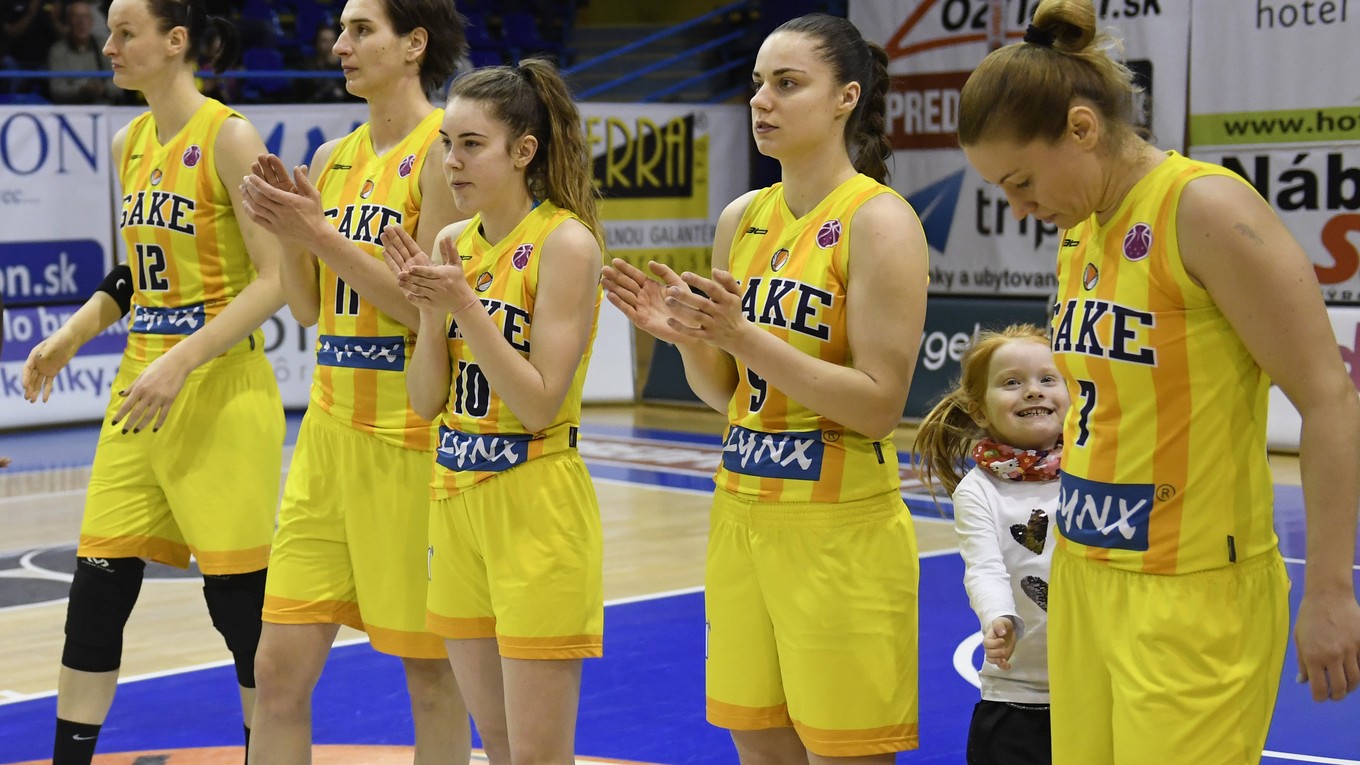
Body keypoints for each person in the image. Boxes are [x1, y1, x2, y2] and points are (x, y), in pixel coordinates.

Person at [956, 1, 1360, 762]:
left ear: (1082, 128)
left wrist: (1333, 589)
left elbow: (1329, 399)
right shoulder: (1081, 228)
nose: (1018, 207)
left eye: (1022, 181)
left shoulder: (1204, 207)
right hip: (1084, 575)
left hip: (1192, 590)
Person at [602, 13, 928, 763]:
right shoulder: (740, 218)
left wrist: (743, 335)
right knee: (758, 743)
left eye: (787, 83)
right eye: (756, 84)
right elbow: (731, 395)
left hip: (839, 529)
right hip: (741, 512)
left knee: (844, 752)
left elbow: (879, 405)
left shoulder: (880, 221)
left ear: (846, 97)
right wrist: (691, 338)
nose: (761, 101)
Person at [20, 0, 287, 762]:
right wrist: (71, 335)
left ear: (175, 42)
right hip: (140, 389)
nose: (108, 46)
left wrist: (184, 358)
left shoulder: (230, 137)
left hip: (222, 390)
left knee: (239, 609)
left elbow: (275, 279)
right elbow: (137, 271)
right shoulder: (128, 142)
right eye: (107, 31)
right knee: (95, 594)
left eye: (124, 32)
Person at [235, 0, 471, 763]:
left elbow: (423, 305)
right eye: (340, 29)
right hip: (328, 439)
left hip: (410, 441)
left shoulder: (446, 151)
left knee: (430, 674)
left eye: (362, 29)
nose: (339, 44)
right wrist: (289, 232)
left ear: (414, 44)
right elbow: (309, 308)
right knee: (277, 671)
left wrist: (318, 234)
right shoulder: (334, 156)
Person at [381, 57, 605, 764]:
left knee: (538, 754)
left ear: (523, 150)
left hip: (535, 497)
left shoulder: (566, 242)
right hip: (455, 495)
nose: (451, 161)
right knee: (500, 746)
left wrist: (464, 305)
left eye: (472, 144)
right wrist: (429, 315)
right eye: (447, 143)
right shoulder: (451, 243)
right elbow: (425, 400)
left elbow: (538, 402)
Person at [914, 325, 1067, 765]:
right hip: (1017, 691)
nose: (1033, 391)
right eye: (1012, 382)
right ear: (980, 411)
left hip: (1094, 685)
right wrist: (999, 616)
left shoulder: (1095, 472)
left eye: (1047, 379)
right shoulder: (979, 490)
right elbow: (984, 568)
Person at [47, 0, 122, 104]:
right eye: (76, 17)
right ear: (68, 21)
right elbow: (56, 89)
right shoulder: (58, 51)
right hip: (72, 109)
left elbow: (119, 84)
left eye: (85, 17)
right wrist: (81, 90)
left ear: (92, 21)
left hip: (104, 107)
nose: (82, 22)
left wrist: (102, 89)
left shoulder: (105, 47)